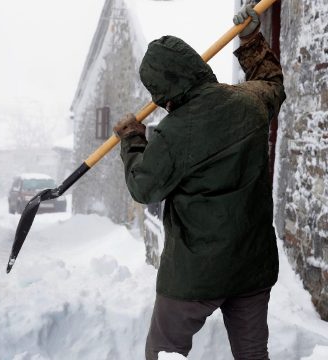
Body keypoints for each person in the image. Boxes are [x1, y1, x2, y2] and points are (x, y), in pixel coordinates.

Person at [113, 4, 285, 360]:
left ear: (162, 92)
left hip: (194, 276)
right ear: (197, 66)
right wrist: (251, 38)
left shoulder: (171, 136)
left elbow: (144, 187)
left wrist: (132, 139)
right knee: (253, 354)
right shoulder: (250, 102)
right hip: (251, 267)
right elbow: (271, 83)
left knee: (164, 353)